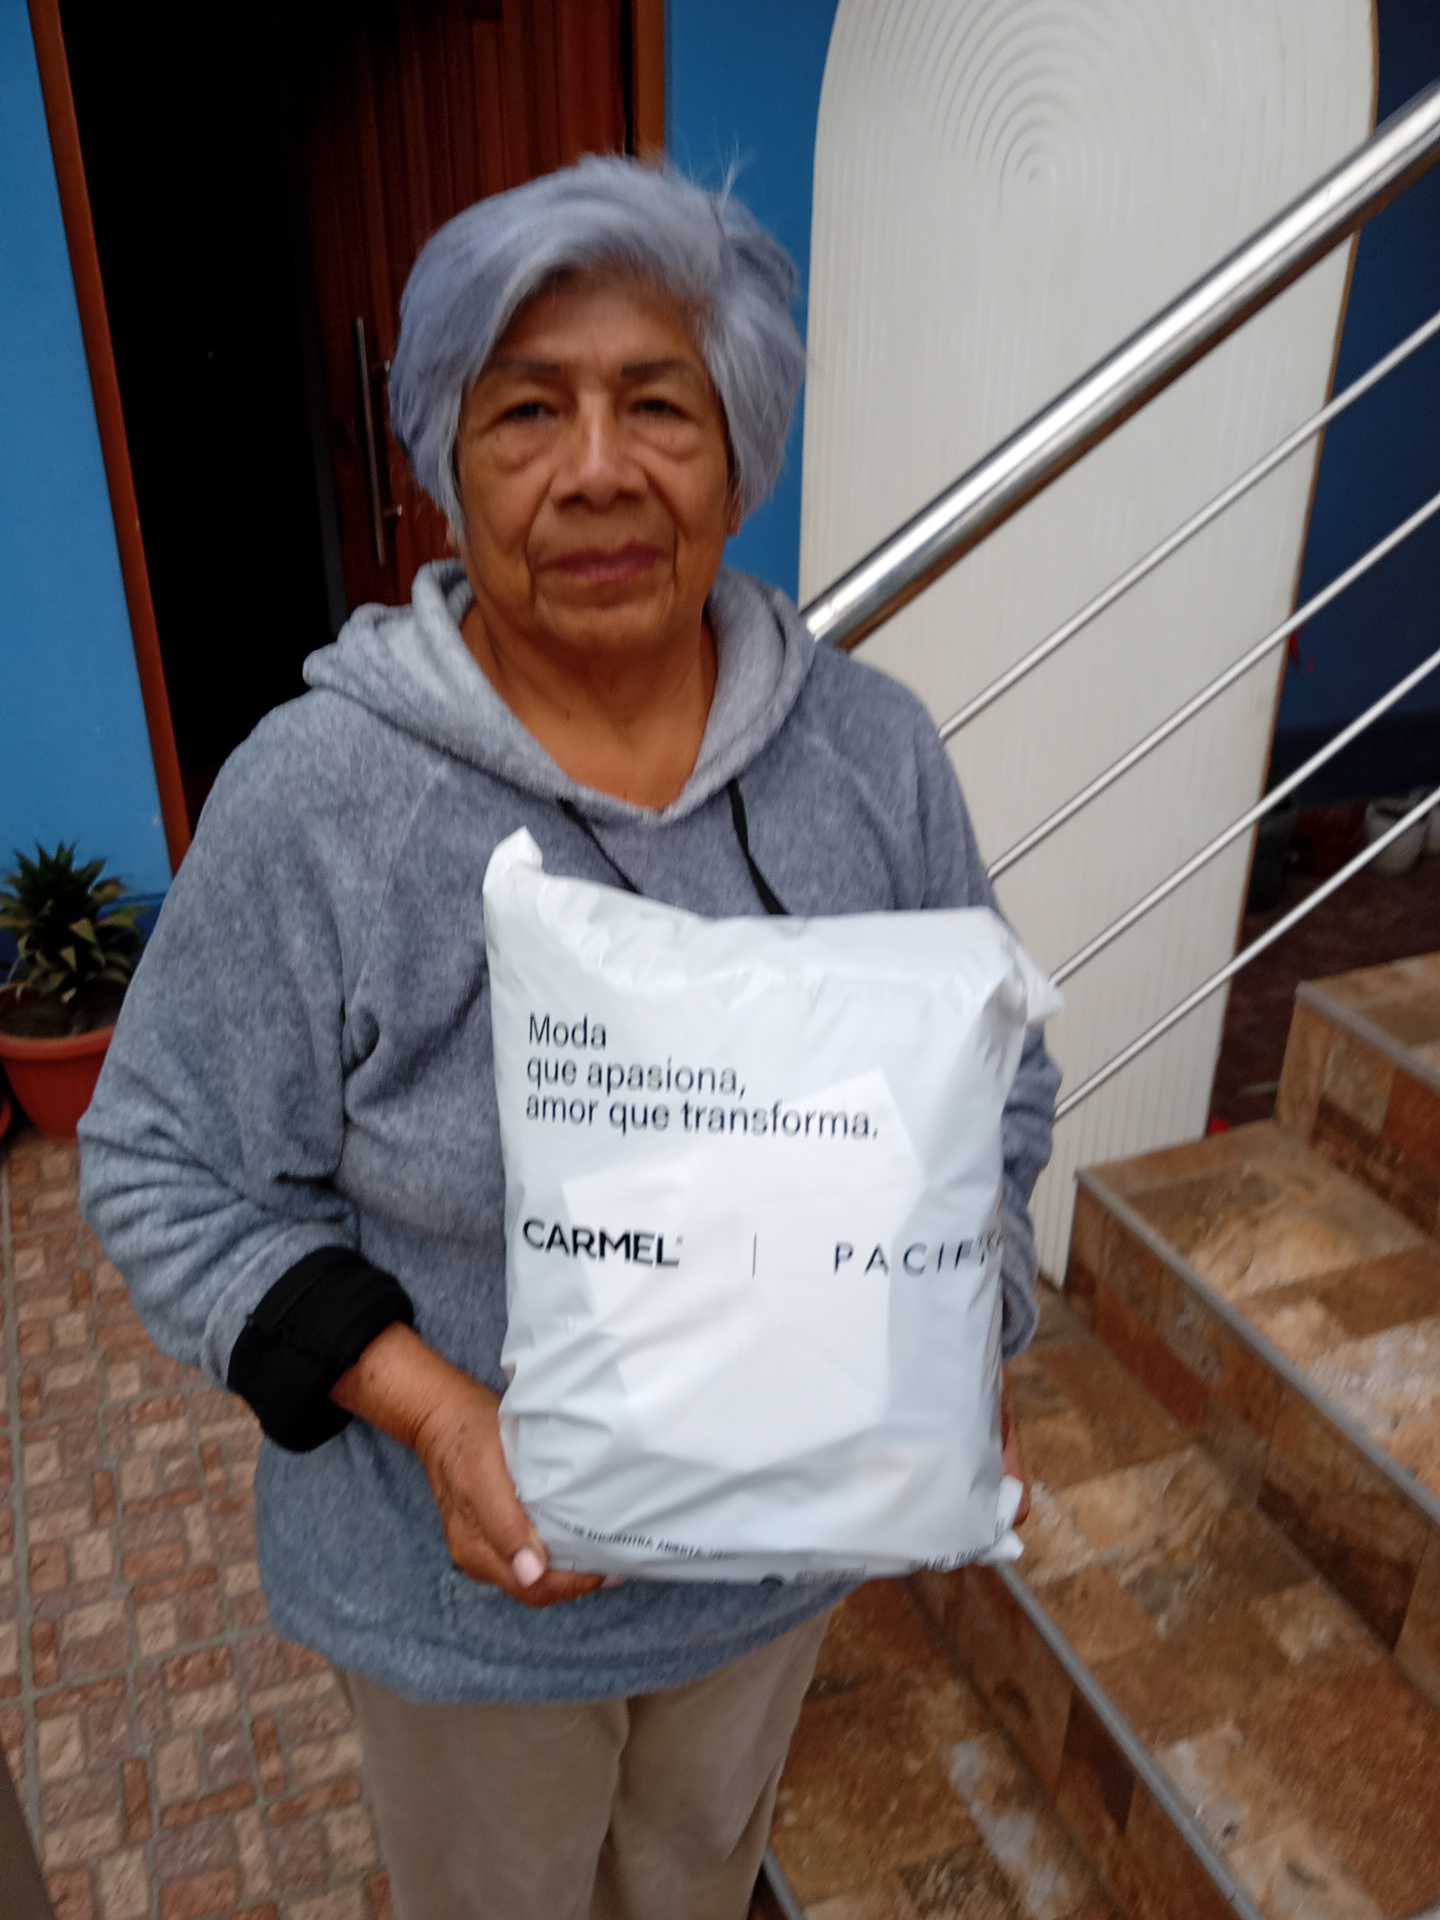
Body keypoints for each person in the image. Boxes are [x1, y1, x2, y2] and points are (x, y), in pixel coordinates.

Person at [79, 157, 1059, 1920]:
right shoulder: (324, 794)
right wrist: (437, 1414)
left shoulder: (872, 754)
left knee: (697, 1877)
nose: (597, 467)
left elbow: (998, 1081)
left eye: (657, 404)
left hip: (778, 1573)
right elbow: (164, 1162)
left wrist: (959, 1328)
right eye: (527, 410)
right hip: (475, 1616)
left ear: (740, 456)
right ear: (445, 469)